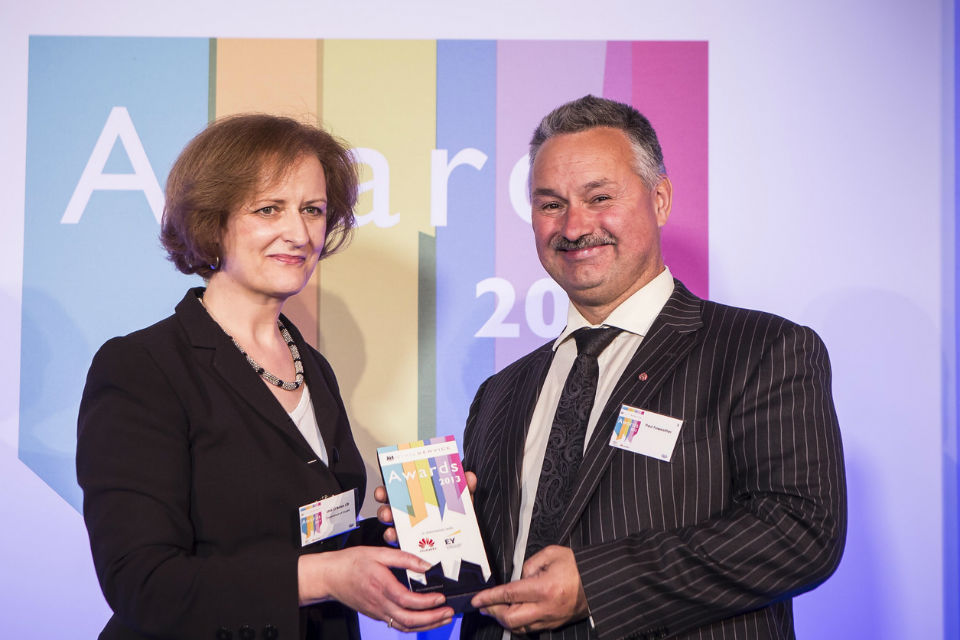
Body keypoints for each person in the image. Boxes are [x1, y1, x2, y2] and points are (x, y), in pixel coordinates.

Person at [461, 96, 847, 639]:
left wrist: (596, 585)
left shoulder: (762, 349)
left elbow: (802, 532)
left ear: (659, 199)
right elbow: (498, 569)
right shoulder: (501, 392)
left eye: (600, 197)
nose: (574, 226)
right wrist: (431, 541)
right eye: (551, 204)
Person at [76, 114, 454, 640]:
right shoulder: (143, 367)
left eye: (313, 210)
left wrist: (411, 535)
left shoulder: (310, 364)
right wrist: (324, 577)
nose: (299, 233)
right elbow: (142, 581)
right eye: (268, 209)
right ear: (213, 220)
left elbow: (308, 535)